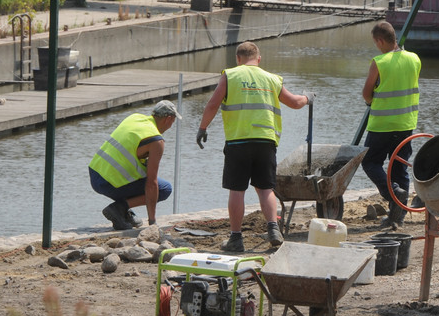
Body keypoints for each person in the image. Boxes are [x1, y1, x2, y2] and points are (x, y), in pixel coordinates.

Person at [196, 41, 310, 252]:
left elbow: (212, 104)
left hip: (238, 142)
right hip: (266, 141)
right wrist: (308, 98)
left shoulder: (230, 75)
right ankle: (273, 229)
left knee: (237, 190)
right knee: (265, 188)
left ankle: (236, 238)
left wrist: (203, 128)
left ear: (238, 59)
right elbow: (295, 102)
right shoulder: (272, 78)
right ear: (259, 59)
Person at [361, 21, 421, 229]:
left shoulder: (379, 62)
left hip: (382, 125)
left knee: (370, 162)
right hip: (406, 124)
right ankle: (398, 217)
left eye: (376, 43)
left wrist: (370, 101)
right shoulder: (414, 59)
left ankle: (393, 192)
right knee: (400, 167)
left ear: (380, 40)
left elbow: (366, 93)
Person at [88, 99, 180, 230]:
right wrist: (152, 222)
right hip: (109, 183)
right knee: (164, 189)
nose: (171, 125)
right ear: (168, 119)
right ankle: (119, 208)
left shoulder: (135, 117)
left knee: (142, 176)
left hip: (95, 175)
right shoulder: (156, 141)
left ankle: (122, 211)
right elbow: (152, 182)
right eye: (173, 121)